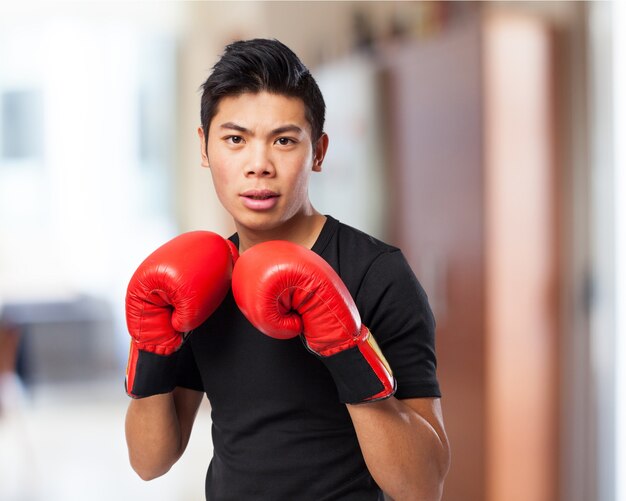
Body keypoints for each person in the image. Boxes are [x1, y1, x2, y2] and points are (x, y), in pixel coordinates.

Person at [124, 38, 450, 500]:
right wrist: (151, 346)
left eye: (283, 141)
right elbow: (149, 461)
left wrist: (346, 347)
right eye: (235, 139)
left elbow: (423, 486)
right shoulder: (200, 277)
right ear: (204, 146)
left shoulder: (377, 274)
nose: (259, 165)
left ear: (317, 152)